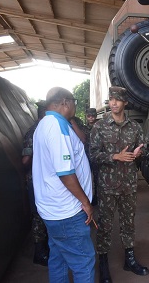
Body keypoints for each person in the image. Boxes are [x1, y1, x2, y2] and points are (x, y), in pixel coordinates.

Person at [32, 87, 96, 282]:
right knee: (83, 262)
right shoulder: (58, 128)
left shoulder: (43, 125)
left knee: (58, 259)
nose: (76, 106)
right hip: (67, 212)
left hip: (52, 211)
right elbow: (65, 173)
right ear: (65, 102)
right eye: (75, 101)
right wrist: (85, 202)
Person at [90, 86, 149, 283]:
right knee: (105, 225)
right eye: (111, 99)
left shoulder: (134, 127)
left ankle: (129, 260)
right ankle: (104, 263)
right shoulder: (100, 126)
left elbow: (144, 147)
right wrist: (115, 156)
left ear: (125, 102)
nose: (113, 102)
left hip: (129, 184)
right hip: (107, 186)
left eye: (117, 99)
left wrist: (140, 152)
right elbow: (93, 155)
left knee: (128, 223)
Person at [22, 100, 49, 266]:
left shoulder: (39, 128)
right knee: (39, 216)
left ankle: (44, 249)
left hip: (42, 180)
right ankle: (39, 253)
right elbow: (25, 160)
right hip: (36, 180)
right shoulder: (36, 131)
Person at [85, 107, 99, 206]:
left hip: (97, 156)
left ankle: (97, 198)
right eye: (89, 116)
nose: (91, 118)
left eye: (93, 116)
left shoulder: (99, 127)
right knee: (87, 179)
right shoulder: (83, 128)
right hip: (86, 157)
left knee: (98, 179)